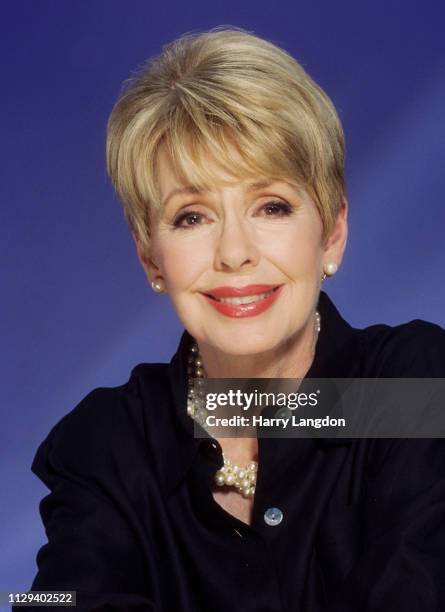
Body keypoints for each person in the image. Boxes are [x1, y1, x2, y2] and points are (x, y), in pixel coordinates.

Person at [23, 27, 445, 611]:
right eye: (192, 216)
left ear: (333, 232)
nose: (234, 252)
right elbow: (54, 603)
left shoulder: (413, 387)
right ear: (151, 257)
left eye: (271, 206)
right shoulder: (104, 443)